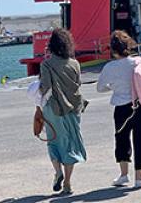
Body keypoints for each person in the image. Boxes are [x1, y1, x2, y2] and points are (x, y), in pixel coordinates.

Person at [97, 30, 141, 189]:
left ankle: (124, 175)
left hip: (122, 107)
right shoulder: (139, 61)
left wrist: (113, 87)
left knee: (122, 139)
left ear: (113, 49)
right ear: (129, 45)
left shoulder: (110, 67)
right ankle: (139, 178)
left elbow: (100, 88)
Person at [38, 28, 87, 195]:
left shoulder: (46, 64)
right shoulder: (75, 64)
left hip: (54, 108)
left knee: (53, 142)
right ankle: (67, 182)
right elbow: (78, 84)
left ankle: (57, 172)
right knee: (70, 144)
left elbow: (45, 87)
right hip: (73, 108)